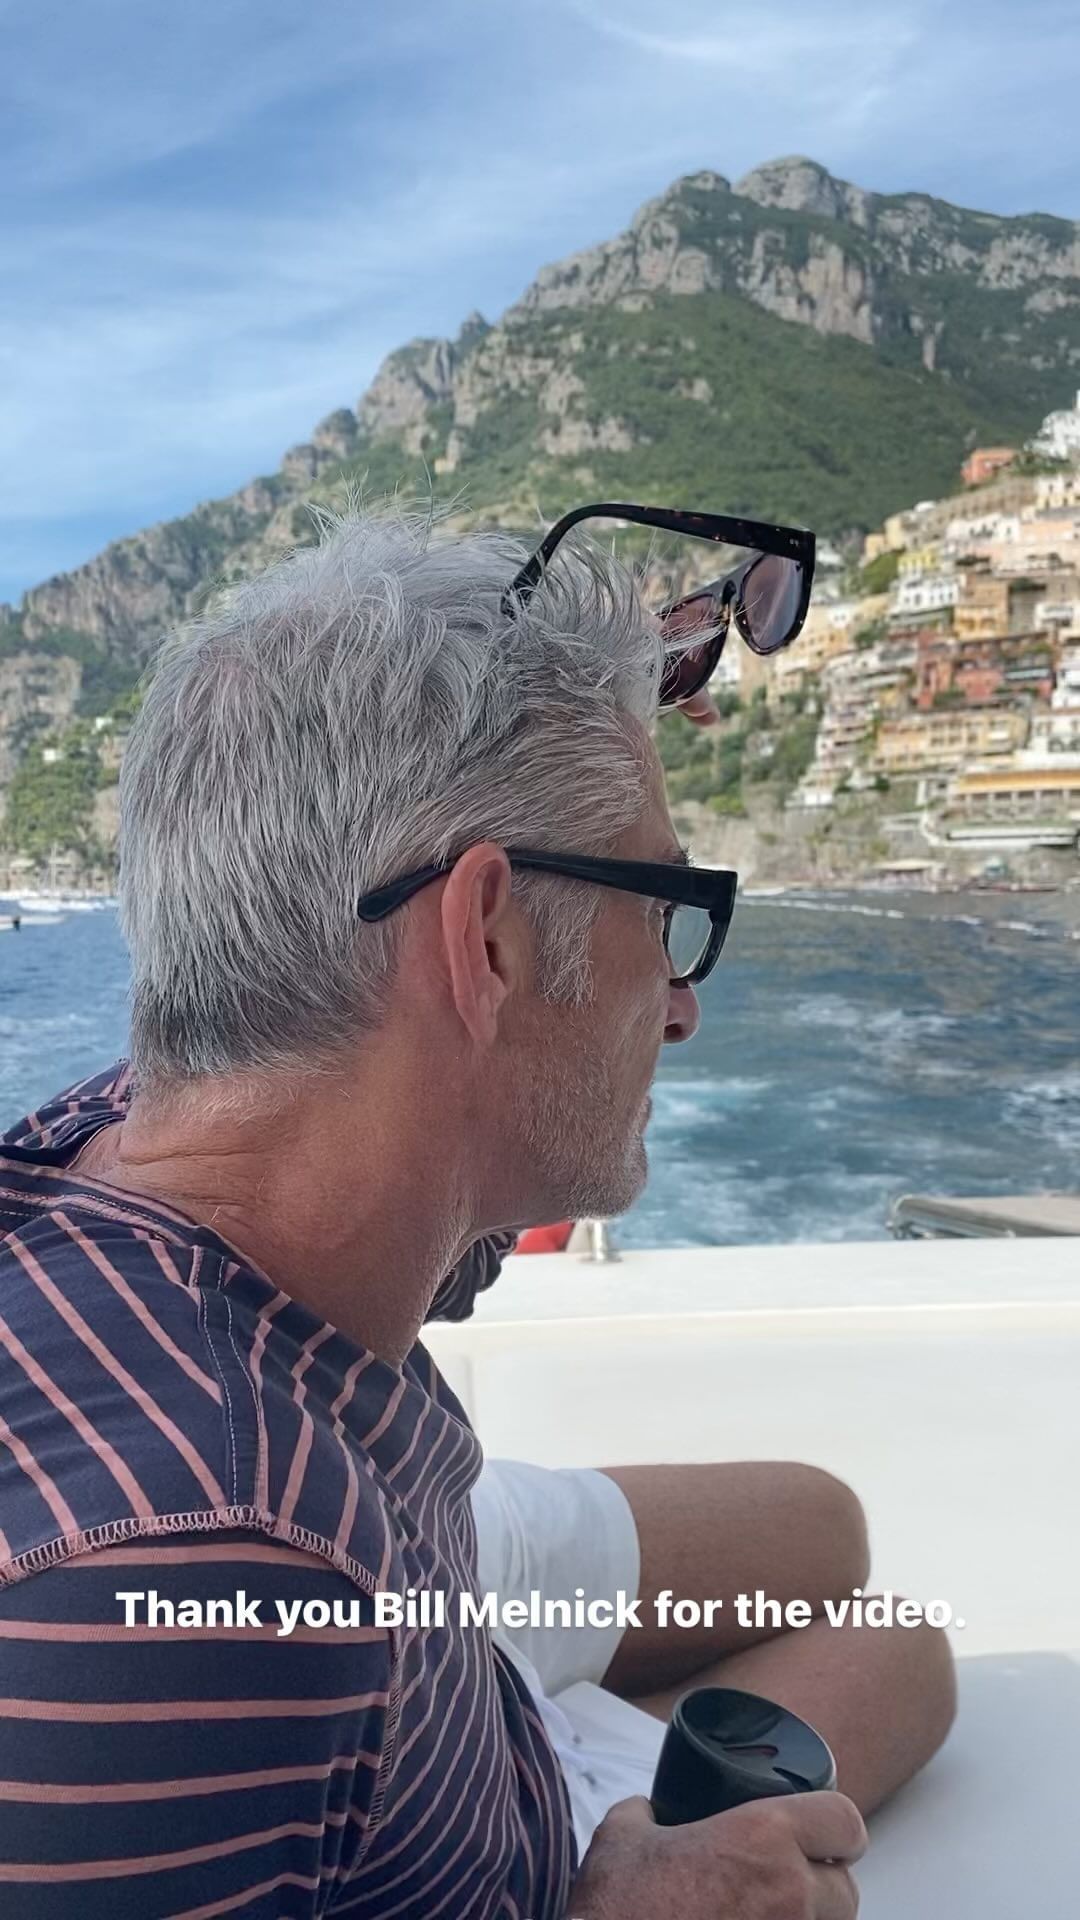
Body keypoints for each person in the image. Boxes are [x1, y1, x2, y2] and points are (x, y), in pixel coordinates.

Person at [0, 506, 954, 1918]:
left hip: (412, 1565)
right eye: (666, 909)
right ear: (488, 940)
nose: (680, 1007)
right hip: (339, 1610)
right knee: (896, 1649)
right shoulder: (204, 1600)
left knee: (834, 1545)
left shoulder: (134, 1133)